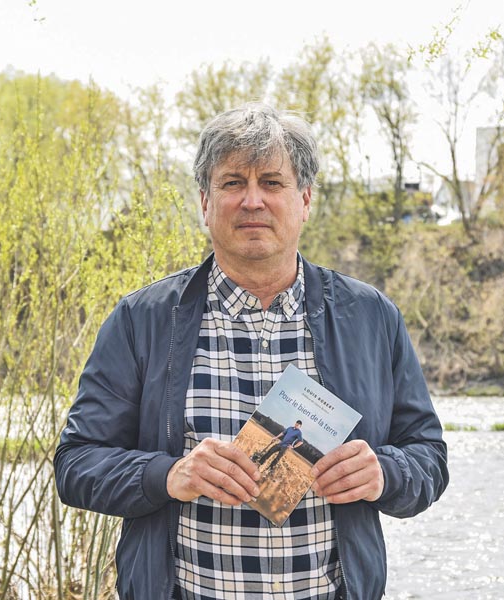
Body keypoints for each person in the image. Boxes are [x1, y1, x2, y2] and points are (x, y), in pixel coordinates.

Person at [54, 102, 448, 600]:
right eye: (233, 182)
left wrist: (385, 473)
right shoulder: (142, 320)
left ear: (305, 199)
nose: (253, 201)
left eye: (272, 183)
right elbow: (76, 463)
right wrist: (169, 474)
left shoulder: (371, 318)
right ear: (204, 201)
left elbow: (429, 456)